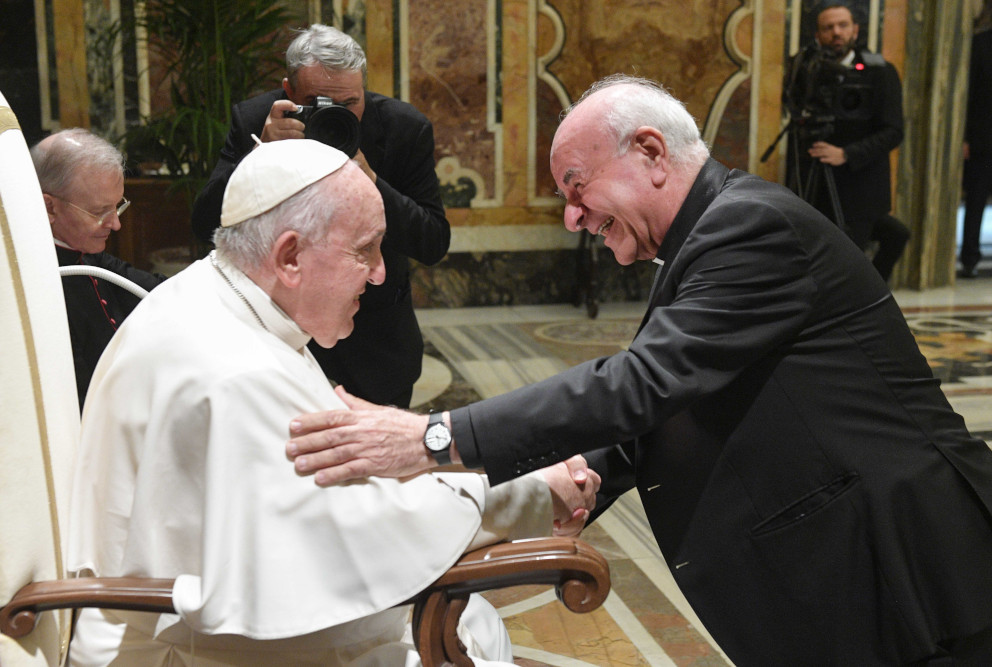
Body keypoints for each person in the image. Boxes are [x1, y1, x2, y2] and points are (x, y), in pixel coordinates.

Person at [285, 75, 992, 665]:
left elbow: (642, 382)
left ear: (651, 151)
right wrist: (565, 483)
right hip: (850, 570)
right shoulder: (708, 234)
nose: (570, 217)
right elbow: (664, 404)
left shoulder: (751, 227)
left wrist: (433, 439)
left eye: (575, 185)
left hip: (912, 564)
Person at [67, 139, 599, 666]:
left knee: (474, 621)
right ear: (290, 255)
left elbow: (335, 480)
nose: (379, 272)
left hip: (218, 628)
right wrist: (520, 490)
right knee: (467, 630)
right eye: (365, 249)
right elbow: (343, 540)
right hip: (209, 650)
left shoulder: (219, 300)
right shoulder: (233, 369)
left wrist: (430, 447)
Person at [191, 24, 448, 408]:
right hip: (275, 336)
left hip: (375, 342)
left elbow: (432, 241)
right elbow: (205, 225)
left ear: (363, 88)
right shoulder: (257, 120)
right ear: (288, 92)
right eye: (318, 102)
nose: (337, 115)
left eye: (349, 104)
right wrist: (258, 153)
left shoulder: (403, 129)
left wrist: (371, 180)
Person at [30, 128, 167, 410]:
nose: (115, 224)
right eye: (99, 212)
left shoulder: (86, 252)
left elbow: (157, 290)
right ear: (48, 207)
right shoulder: (34, 282)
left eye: (117, 207)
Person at [785, 3, 910, 282]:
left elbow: (893, 131)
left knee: (850, 264)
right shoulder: (805, 70)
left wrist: (847, 153)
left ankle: (865, 306)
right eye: (828, 28)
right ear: (817, 35)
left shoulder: (879, 72)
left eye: (842, 25)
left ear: (855, 29)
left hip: (860, 186)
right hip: (814, 184)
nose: (836, 33)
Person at [960, 3, 992, 278]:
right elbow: (968, 93)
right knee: (976, 200)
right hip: (982, 136)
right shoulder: (980, 43)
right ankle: (970, 259)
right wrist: (963, 137)